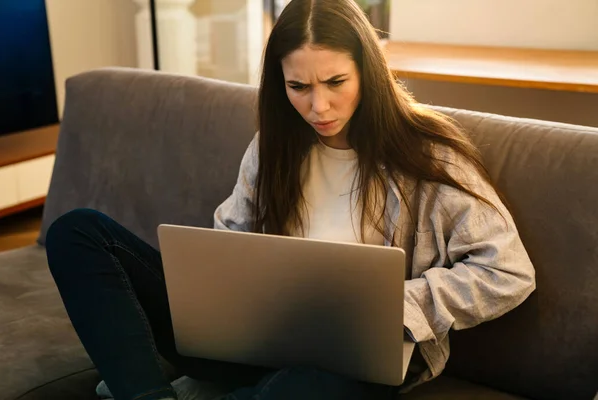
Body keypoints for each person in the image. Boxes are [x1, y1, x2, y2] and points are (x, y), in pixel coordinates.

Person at [45, 0, 536, 399]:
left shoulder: (426, 156)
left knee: (295, 391)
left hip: (347, 359)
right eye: (298, 86)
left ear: (369, 72)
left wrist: (397, 305)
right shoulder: (271, 149)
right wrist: (219, 297)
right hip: (251, 340)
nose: (318, 106)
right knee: (79, 231)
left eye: (335, 82)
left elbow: (508, 271)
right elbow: (231, 243)